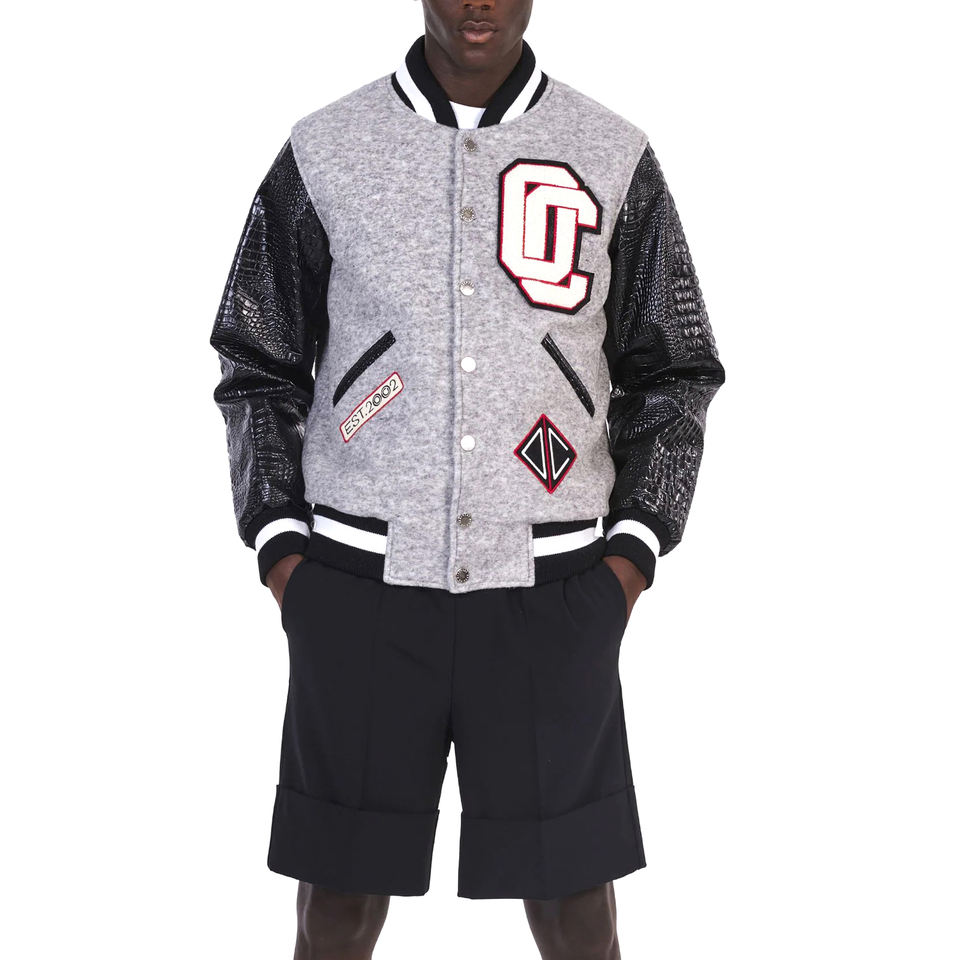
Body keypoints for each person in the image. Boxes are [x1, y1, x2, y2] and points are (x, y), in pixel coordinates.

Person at [210, 1, 725, 956]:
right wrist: (282, 550)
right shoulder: (327, 149)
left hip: (553, 592)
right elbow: (257, 359)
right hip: (360, 587)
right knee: (338, 905)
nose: (476, 2)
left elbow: (675, 370)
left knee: (575, 906)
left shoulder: (611, 153)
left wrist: (633, 554)